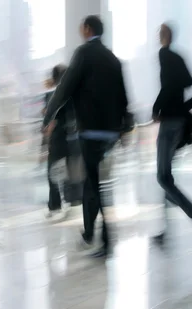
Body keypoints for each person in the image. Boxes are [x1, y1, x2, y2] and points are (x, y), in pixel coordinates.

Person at [45, 15, 132, 258]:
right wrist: (125, 127)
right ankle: (90, 232)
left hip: (90, 129)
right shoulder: (113, 59)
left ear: (87, 29)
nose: (80, 31)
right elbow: (124, 96)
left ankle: (104, 237)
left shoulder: (83, 53)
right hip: (110, 131)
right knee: (93, 183)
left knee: (93, 184)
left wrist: (49, 113)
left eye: (82, 28)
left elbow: (65, 87)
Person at [152, 24, 192, 250]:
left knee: (163, 178)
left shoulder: (164, 54)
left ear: (165, 36)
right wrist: (184, 108)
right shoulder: (179, 58)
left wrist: (157, 108)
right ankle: (165, 231)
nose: (158, 35)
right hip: (180, 124)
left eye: (160, 32)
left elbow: (168, 86)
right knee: (166, 178)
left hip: (169, 123)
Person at [42, 65, 83, 219]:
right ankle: (73, 202)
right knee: (71, 172)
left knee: (52, 172)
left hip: (58, 138)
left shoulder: (53, 94)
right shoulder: (75, 92)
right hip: (74, 138)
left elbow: (49, 119)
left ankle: (55, 205)